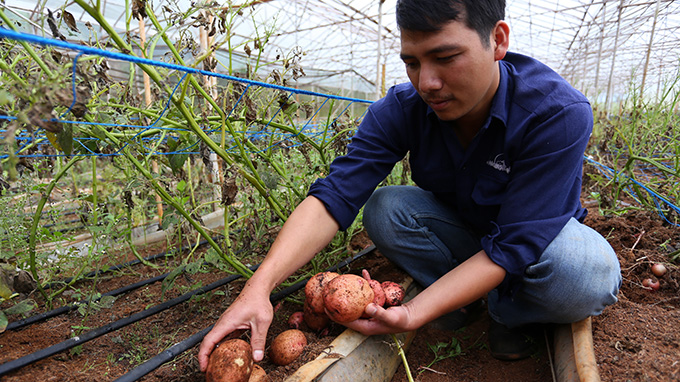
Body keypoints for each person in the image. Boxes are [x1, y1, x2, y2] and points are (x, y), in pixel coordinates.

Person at [198, 0, 622, 368]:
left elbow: (515, 244)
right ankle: (465, 299)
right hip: (467, 230)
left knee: (585, 274)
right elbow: (336, 194)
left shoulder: (555, 111)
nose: (427, 83)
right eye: (413, 62)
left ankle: (506, 313)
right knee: (384, 208)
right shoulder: (402, 108)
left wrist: (415, 311)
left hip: (533, 242)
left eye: (445, 57)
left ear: (497, 40)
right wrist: (260, 286)